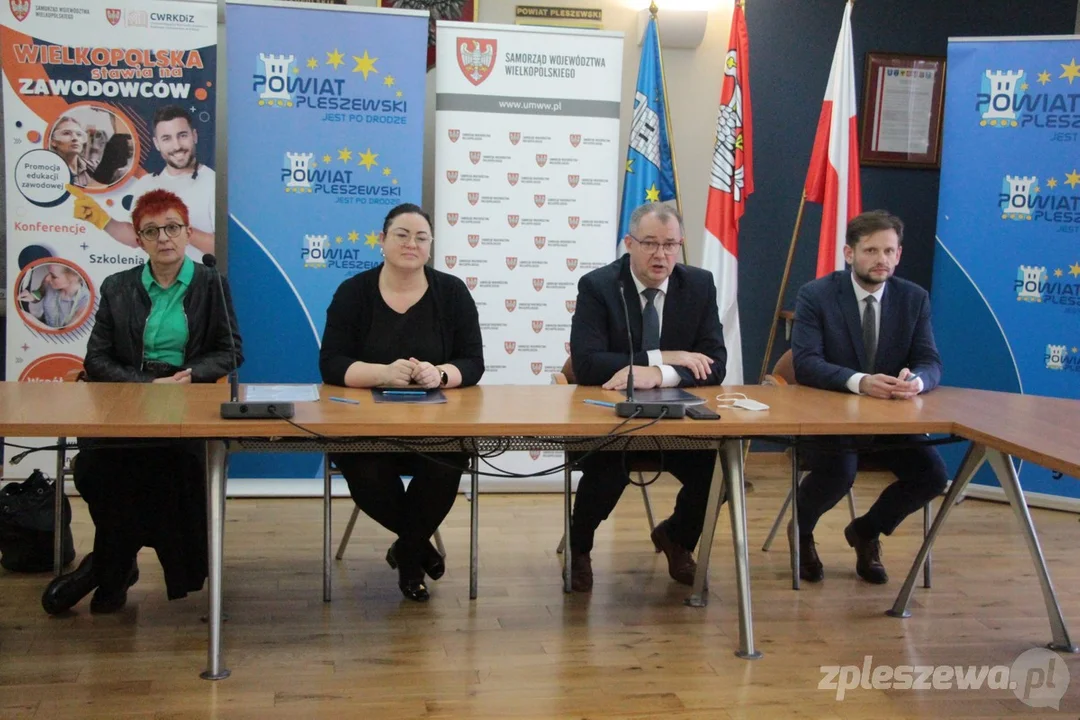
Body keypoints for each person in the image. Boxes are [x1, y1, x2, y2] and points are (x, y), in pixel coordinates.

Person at [41, 189, 242, 615]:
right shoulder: (118, 286)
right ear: (138, 240)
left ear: (187, 232)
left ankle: (106, 569)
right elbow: (96, 359)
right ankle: (114, 566)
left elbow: (230, 351)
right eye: (151, 231)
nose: (163, 237)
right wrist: (146, 384)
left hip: (186, 399)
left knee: (167, 470)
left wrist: (192, 374)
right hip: (130, 396)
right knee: (96, 468)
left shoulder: (211, 283)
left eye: (172, 227)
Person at [319, 203, 484, 603]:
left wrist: (439, 374)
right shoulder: (353, 292)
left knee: (445, 465)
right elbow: (331, 363)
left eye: (421, 237)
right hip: (366, 429)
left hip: (436, 428)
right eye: (402, 235)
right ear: (382, 240)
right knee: (366, 468)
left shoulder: (452, 293)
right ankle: (417, 551)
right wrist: (381, 373)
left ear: (430, 245)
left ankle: (407, 554)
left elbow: (473, 362)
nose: (412, 244)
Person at [567, 202, 727, 593]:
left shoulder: (699, 285)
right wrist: (663, 357)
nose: (661, 255)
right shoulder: (599, 286)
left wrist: (659, 374)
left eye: (670, 245)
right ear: (629, 244)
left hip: (678, 424)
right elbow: (586, 364)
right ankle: (579, 547)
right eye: (650, 243)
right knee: (605, 474)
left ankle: (676, 537)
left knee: (719, 474)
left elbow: (715, 364)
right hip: (614, 422)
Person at [790, 210, 947, 585]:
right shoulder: (816, 295)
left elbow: (930, 360)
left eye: (889, 251)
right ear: (849, 253)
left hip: (890, 421)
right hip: (831, 420)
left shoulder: (913, 298)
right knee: (838, 474)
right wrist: (859, 382)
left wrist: (917, 382)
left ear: (899, 254)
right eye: (871, 250)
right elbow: (806, 363)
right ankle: (801, 532)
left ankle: (866, 530)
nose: (881, 260)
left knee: (933, 476)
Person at [70, 105, 215, 260]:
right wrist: (101, 219)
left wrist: (178, 229)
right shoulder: (146, 183)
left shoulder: (213, 182)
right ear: (157, 144)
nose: (177, 146)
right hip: (154, 275)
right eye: (167, 138)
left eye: (182, 135)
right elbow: (137, 238)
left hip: (196, 275)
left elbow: (223, 247)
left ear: (194, 136)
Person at [18, 263, 90, 329]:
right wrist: (31, 296)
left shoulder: (86, 299)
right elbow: (40, 293)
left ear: (73, 278)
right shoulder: (48, 281)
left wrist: (34, 322)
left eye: (53, 276)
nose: (47, 278)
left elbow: (66, 333)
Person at [50, 116, 96, 188]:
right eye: (66, 133)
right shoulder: (49, 171)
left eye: (79, 134)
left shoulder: (94, 167)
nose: (75, 138)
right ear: (53, 141)